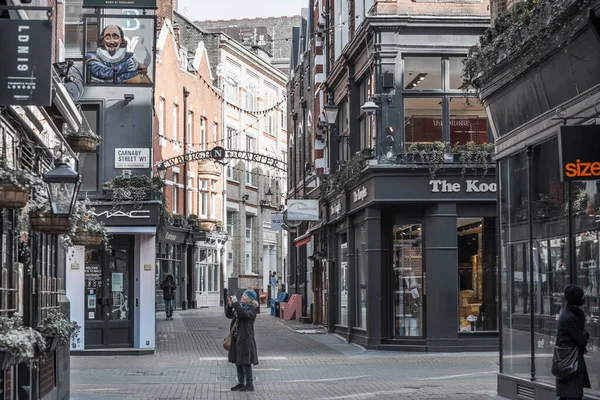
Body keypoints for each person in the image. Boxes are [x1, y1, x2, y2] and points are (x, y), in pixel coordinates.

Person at [556, 284, 591, 400]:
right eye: (581, 296)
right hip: (570, 360)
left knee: (567, 394)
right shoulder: (569, 317)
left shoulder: (569, 312)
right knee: (573, 394)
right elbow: (581, 339)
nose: (583, 298)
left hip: (567, 358)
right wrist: (585, 334)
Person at [86, 25, 150, 84]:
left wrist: (140, 66)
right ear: (102, 40)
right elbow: (105, 75)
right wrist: (126, 66)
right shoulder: (91, 58)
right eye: (107, 38)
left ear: (121, 40)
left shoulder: (128, 57)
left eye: (115, 37)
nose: (111, 42)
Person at [225, 289, 259, 392]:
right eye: (243, 295)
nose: (243, 297)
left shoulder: (252, 309)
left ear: (251, 300)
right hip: (236, 338)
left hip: (245, 339)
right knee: (237, 361)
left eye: (245, 296)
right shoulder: (240, 307)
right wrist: (230, 305)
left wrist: (235, 304)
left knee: (245, 362)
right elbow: (229, 315)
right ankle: (241, 383)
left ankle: (249, 384)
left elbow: (243, 315)